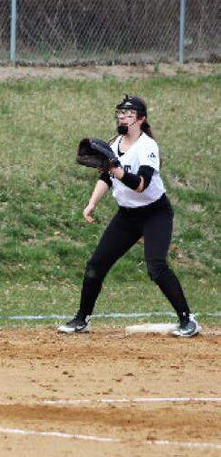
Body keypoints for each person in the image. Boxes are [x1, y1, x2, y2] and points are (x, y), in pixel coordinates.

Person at [58, 95, 200, 338]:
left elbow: (141, 185)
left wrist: (117, 170)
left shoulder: (147, 147)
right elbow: (106, 177)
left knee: (156, 266)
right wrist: (92, 203)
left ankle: (188, 319)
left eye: (129, 113)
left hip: (155, 213)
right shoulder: (114, 144)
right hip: (127, 216)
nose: (122, 116)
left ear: (141, 119)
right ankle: (82, 319)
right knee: (96, 265)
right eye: (120, 113)